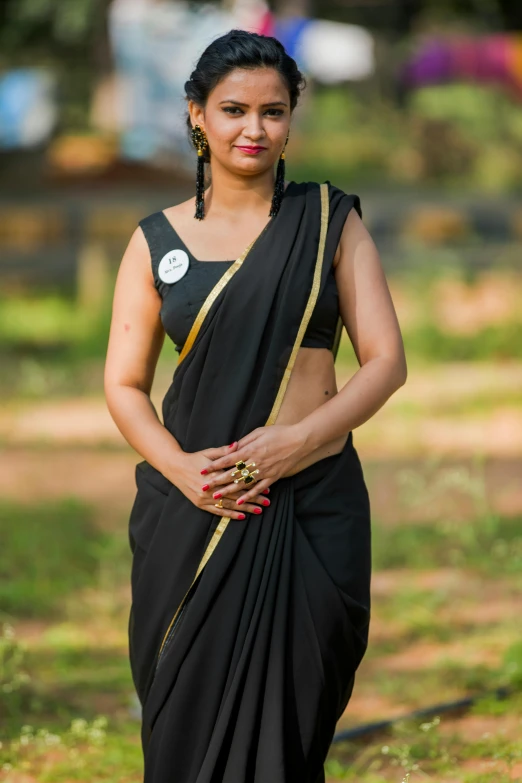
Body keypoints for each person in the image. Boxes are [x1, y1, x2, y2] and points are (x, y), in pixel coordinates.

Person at [104, 28, 407, 783]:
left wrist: (296, 442)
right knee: (185, 723)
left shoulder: (329, 220)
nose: (254, 129)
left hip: (311, 501)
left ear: (291, 120)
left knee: (298, 712)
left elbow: (386, 362)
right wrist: (178, 470)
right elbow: (124, 384)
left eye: (274, 112)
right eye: (234, 109)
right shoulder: (154, 241)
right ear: (197, 115)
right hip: (193, 508)